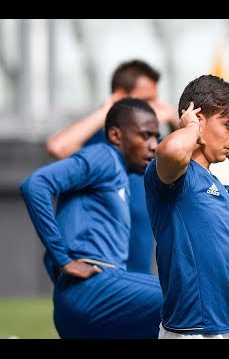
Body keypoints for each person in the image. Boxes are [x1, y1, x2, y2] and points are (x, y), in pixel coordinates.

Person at [20, 98, 164, 339]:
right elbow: (36, 184)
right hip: (92, 291)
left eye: (156, 137)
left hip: (93, 299)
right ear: (116, 135)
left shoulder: (120, 175)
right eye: (145, 135)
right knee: (189, 295)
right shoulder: (104, 156)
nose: (154, 146)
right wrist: (63, 260)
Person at [144, 74, 229, 339]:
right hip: (194, 330)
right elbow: (173, 151)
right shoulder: (174, 176)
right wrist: (189, 128)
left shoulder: (216, 187)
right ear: (198, 117)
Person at [45, 59, 177, 274]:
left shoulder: (150, 144)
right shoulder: (100, 141)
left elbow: (194, 158)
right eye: (145, 100)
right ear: (120, 96)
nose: (152, 108)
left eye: (155, 101)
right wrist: (109, 109)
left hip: (138, 268)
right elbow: (58, 147)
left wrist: (173, 120)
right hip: (98, 271)